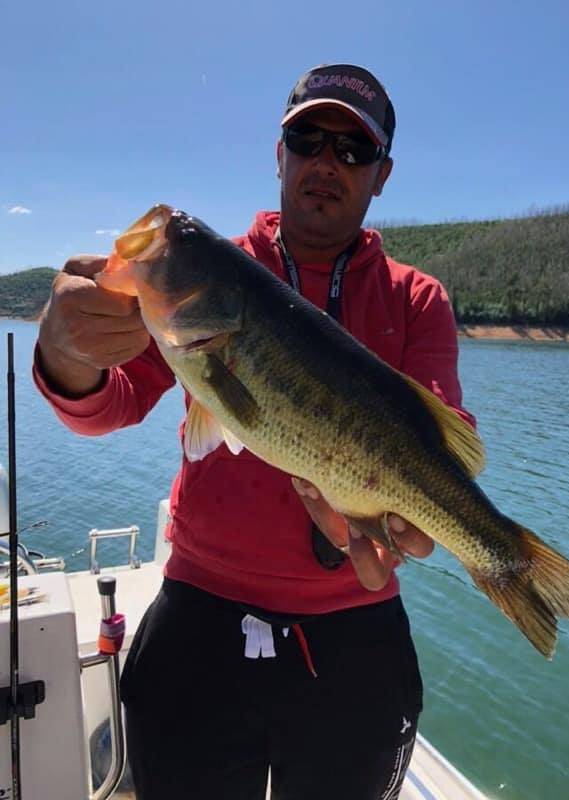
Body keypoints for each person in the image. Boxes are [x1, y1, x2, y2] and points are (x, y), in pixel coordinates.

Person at [34, 64, 475, 800]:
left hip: (355, 636)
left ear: (381, 176)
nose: (325, 162)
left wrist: (410, 522)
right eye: (307, 138)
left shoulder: (417, 298)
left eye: (352, 149)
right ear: (278, 154)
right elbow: (106, 404)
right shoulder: (204, 277)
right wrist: (64, 350)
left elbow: (440, 442)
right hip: (200, 618)